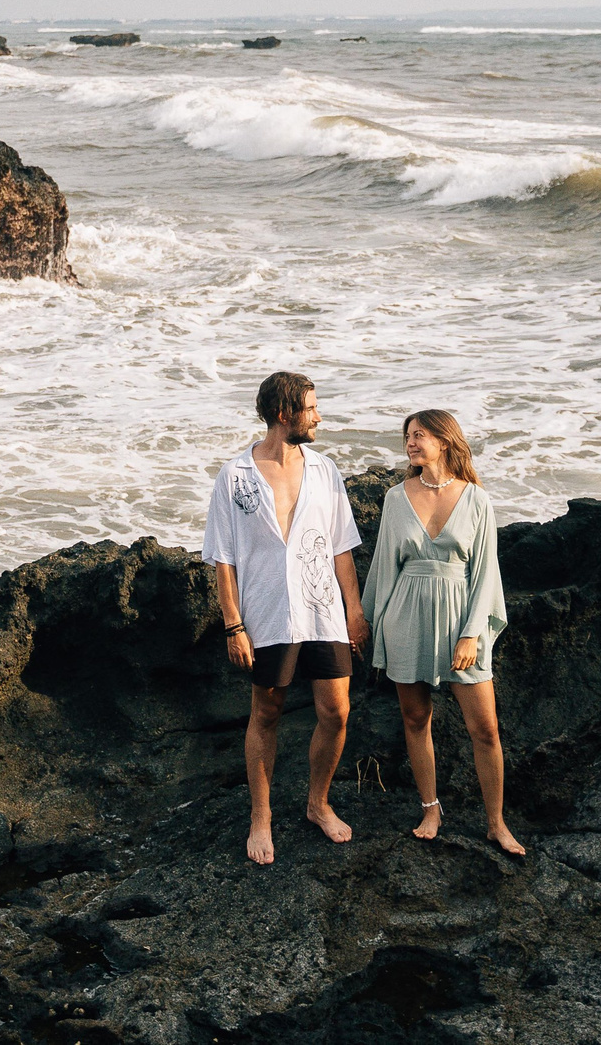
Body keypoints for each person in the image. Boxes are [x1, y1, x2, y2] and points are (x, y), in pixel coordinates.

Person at [203, 370, 369, 865]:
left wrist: (354, 612)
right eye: (311, 409)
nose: (318, 416)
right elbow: (223, 558)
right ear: (284, 414)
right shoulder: (234, 477)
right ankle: (261, 816)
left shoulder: (325, 471)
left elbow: (342, 549)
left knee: (336, 711)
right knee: (266, 714)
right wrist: (234, 625)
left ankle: (317, 804)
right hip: (268, 614)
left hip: (324, 613)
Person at [360, 407, 522, 854]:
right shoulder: (396, 498)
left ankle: (496, 822)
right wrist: (372, 624)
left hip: (461, 620)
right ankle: (431, 808)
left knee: (485, 728)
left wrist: (472, 634)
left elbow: (486, 574)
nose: (410, 442)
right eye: (408, 435)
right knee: (416, 719)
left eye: (420, 435)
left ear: (445, 441)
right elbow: (383, 567)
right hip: (406, 617)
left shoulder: (476, 499)